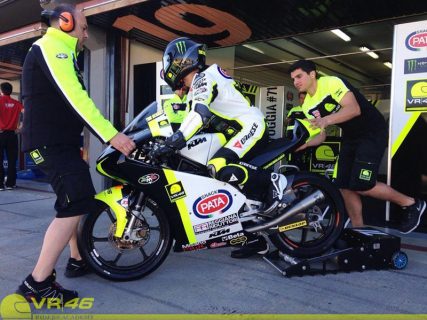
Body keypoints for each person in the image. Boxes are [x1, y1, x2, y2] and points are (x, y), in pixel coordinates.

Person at [18, 4, 135, 304]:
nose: (85, 34)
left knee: (73, 199)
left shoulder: (62, 51)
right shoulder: (51, 46)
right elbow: (76, 97)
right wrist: (112, 135)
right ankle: (37, 283)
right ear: (66, 22)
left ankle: (78, 259)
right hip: (50, 144)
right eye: (83, 27)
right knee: (76, 201)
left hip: (58, 143)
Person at [158, 37, 288, 258]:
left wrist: (176, 139)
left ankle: (273, 181)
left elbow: (199, 115)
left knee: (218, 166)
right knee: (215, 180)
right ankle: (255, 239)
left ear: (178, 64)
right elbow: (194, 118)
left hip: (250, 126)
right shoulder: (199, 84)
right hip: (234, 134)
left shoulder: (204, 78)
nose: (177, 91)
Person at [288, 59, 425, 233]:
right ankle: (358, 229)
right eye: (293, 79)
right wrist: (305, 144)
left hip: (372, 132)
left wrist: (327, 119)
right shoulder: (308, 104)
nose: (296, 82)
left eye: (299, 76)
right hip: (351, 137)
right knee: (344, 185)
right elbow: (321, 134)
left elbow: (353, 109)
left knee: (363, 184)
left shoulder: (331, 82)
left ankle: (412, 203)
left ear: (312, 74)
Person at [0, 82, 23, 190]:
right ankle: (10, 184)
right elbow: (27, 113)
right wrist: (21, 128)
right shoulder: (17, 103)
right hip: (13, 135)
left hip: (1, 134)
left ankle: (0, 185)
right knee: (12, 160)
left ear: (1, 91)